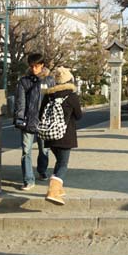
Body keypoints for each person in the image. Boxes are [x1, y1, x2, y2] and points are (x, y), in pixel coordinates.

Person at [40, 66, 83, 205]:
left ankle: (59, 190)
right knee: (63, 164)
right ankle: (53, 190)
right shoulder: (71, 96)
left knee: (59, 161)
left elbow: (41, 114)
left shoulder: (48, 95)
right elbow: (79, 116)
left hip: (50, 136)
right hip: (65, 136)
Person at [13, 53, 55, 191]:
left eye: (36, 66)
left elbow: (54, 101)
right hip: (27, 121)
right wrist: (20, 119)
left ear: (42, 65)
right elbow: (20, 102)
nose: (33, 69)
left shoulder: (49, 80)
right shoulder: (24, 81)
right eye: (31, 66)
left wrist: (53, 118)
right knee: (26, 151)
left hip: (44, 121)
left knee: (44, 150)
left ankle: (42, 170)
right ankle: (28, 180)